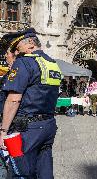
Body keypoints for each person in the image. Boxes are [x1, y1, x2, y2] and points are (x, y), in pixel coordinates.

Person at [0, 28, 61, 178]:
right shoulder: (52, 64)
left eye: (17, 47)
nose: (16, 52)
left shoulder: (24, 62)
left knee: (21, 172)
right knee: (44, 171)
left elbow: (14, 99)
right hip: (48, 125)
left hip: (27, 129)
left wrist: (3, 131)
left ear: (30, 44)